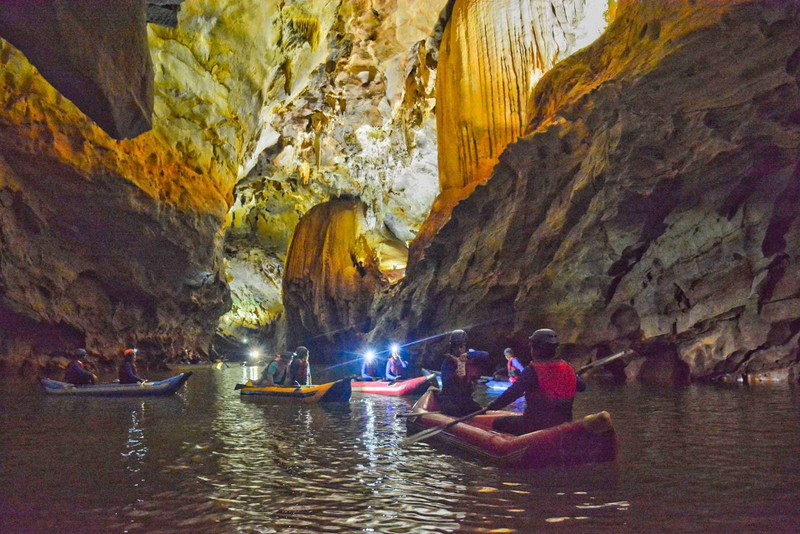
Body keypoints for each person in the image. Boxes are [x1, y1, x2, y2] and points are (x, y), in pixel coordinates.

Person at [486, 329, 586, 435]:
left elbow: (512, 393)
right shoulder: (568, 368)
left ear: (535, 349)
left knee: (497, 423)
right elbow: (582, 387)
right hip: (563, 424)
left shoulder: (532, 371)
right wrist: (575, 376)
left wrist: (493, 406)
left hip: (533, 426)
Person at [439, 329, 490, 416]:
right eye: (457, 346)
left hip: (466, 400)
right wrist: (456, 376)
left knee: (480, 411)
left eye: (462, 346)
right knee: (455, 411)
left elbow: (485, 355)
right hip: (450, 400)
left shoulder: (470, 357)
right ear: (453, 347)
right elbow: (446, 383)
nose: (460, 349)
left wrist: (468, 355)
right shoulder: (448, 362)